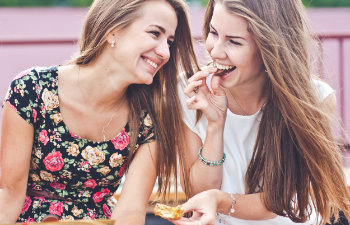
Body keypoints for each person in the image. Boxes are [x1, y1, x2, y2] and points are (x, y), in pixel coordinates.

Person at [0, 0, 199, 224]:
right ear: (112, 30)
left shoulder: (150, 117)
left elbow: (130, 212)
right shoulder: (31, 89)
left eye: (170, 42)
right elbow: (9, 195)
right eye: (154, 33)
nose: (165, 53)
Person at [173, 0, 350, 224]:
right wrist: (215, 124)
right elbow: (198, 193)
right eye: (213, 32)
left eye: (234, 42)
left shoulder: (314, 99)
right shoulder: (189, 89)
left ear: (269, 47)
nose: (215, 51)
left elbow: (277, 200)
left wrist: (219, 200)